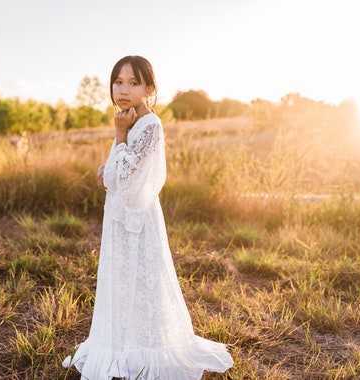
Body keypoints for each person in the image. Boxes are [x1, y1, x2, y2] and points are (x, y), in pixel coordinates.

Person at [63, 55, 234, 379]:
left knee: (143, 281)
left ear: (149, 88)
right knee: (122, 281)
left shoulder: (149, 124)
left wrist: (118, 138)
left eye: (133, 83)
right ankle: (120, 344)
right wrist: (108, 168)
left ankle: (147, 349)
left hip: (137, 220)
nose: (123, 89)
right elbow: (115, 171)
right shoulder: (130, 121)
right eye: (118, 82)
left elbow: (125, 179)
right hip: (118, 217)